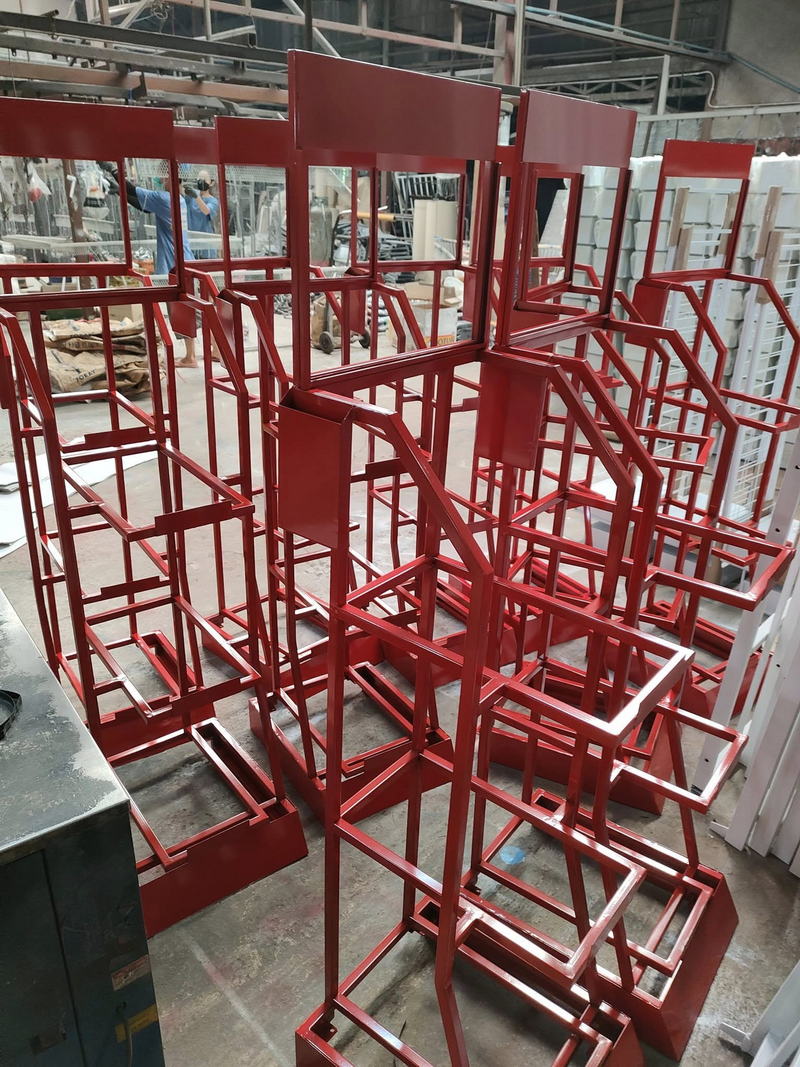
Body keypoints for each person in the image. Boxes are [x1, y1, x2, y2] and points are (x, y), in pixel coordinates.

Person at [100, 162, 199, 366]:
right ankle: (199, 353)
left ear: (171, 176)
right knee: (185, 309)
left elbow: (132, 190)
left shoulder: (165, 198)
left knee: (181, 310)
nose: (160, 180)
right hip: (182, 260)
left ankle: (190, 357)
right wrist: (121, 192)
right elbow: (142, 206)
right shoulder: (178, 199)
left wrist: (113, 171)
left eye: (163, 175)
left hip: (174, 264)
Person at [184, 170, 219, 260]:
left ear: (211, 183)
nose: (201, 181)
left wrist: (196, 197)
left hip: (206, 247)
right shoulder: (191, 196)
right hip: (191, 244)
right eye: (199, 179)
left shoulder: (213, 201)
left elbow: (206, 211)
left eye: (204, 179)